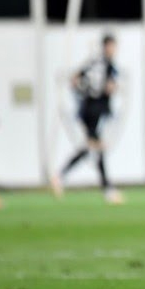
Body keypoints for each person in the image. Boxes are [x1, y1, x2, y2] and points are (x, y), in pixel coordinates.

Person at [51, 34, 124, 205]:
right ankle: (105, 189)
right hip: (95, 112)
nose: (114, 50)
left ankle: (62, 177)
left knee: (92, 149)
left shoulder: (93, 62)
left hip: (87, 111)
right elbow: (110, 87)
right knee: (96, 147)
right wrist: (104, 90)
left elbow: (74, 80)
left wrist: (82, 92)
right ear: (106, 46)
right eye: (112, 46)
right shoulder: (107, 65)